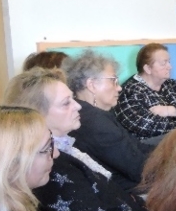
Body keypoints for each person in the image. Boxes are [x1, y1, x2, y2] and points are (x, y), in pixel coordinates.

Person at [4, 67, 160, 211]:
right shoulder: (50, 166)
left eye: (73, 99)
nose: (78, 106)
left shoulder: (68, 148)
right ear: (36, 114)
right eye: (65, 103)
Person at [62, 50, 153, 192]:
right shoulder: (95, 121)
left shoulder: (90, 113)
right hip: (128, 192)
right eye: (113, 81)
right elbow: (140, 171)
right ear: (92, 85)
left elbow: (136, 146)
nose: (119, 87)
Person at [114, 43, 176, 144]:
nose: (170, 67)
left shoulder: (172, 85)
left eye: (169, 62)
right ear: (148, 69)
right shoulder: (129, 91)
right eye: (164, 63)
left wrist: (171, 110)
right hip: (149, 149)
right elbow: (147, 126)